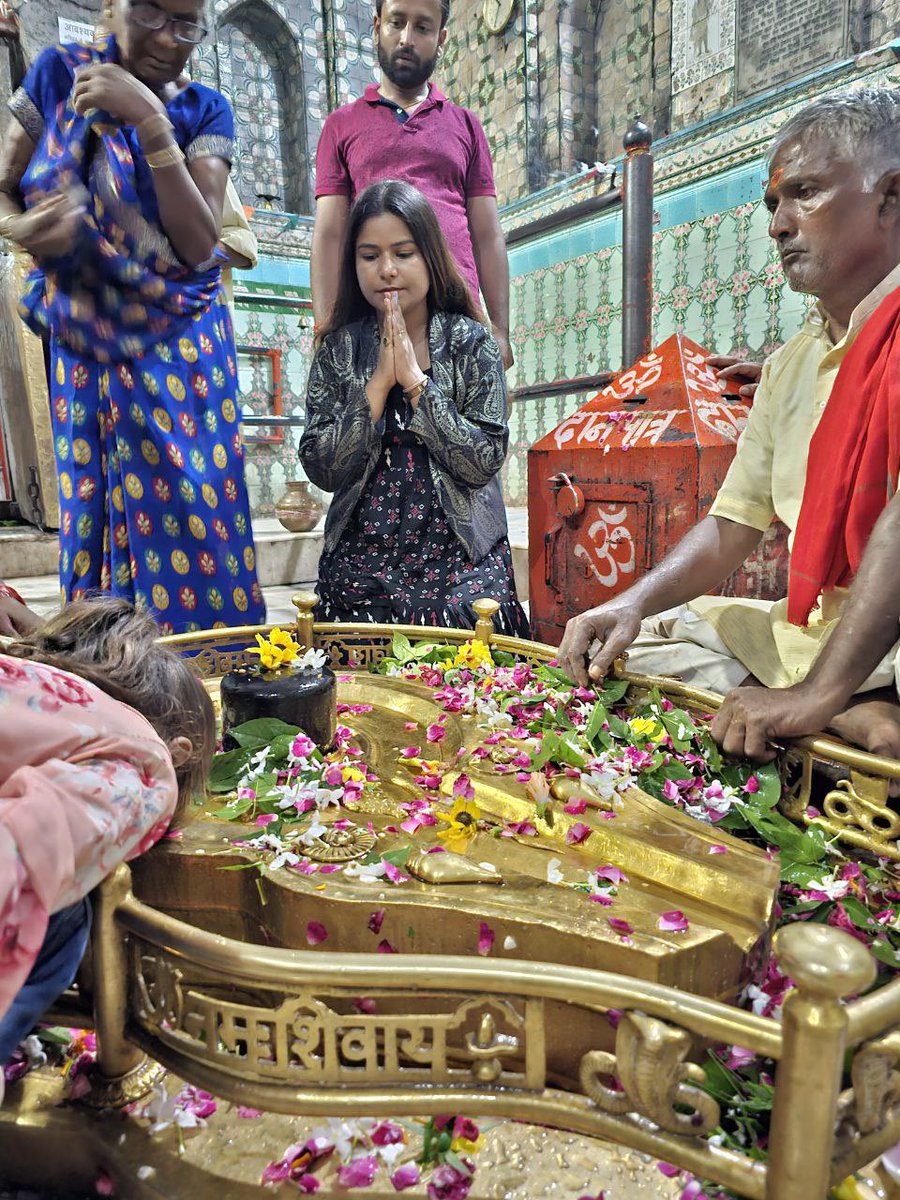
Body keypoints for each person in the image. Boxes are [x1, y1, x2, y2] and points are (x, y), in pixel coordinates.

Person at [558, 89, 900, 762]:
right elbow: (732, 524)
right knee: (633, 651)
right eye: (773, 203)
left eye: (805, 192)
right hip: (815, 635)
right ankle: (861, 723)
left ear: (890, 197)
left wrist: (814, 695)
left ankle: (839, 711)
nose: (778, 224)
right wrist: (629, 604)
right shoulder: (790, 368)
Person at [0, 0, 265, 635]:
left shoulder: (204, 108)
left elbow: (199, 242)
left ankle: (212, 661)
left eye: (188, 22)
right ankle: (108, 666)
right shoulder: (57, 78)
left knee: (201, 505)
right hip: (90, 340)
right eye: (151, 12)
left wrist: (148, 119)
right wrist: (24, 226)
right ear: (115, 5)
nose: (170, 38)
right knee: (98, 505)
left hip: (185, 342)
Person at [299, 179, 528, 636]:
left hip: (460, 548)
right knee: (350, 611)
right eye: (370, 256)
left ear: (429, 256)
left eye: (403, 253)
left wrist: (418, 385)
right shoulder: (338, 348)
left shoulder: (470, 341)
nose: (387, 269)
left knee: (465, 616)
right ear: (353, 264)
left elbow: (483, 460)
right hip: (366, 545)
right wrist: (378, 387)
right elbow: (323, 467)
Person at [0, 596, 215, 1064]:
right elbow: (21, 847)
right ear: (179, 751)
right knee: (71, 918)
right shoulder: (141, 757)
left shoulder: (37, 681)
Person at [311, 0, 513, 369]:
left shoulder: (466, 125)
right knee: (376, 423)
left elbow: (487, 234)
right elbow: (329, 235)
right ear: (376, 26)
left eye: (422, 27)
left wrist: (500, 331)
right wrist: (326, 331)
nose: (406, 38)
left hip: (458, 321)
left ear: (441, 39)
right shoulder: (342, 125)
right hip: (374, 323)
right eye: (396, 22)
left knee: (466, 426)